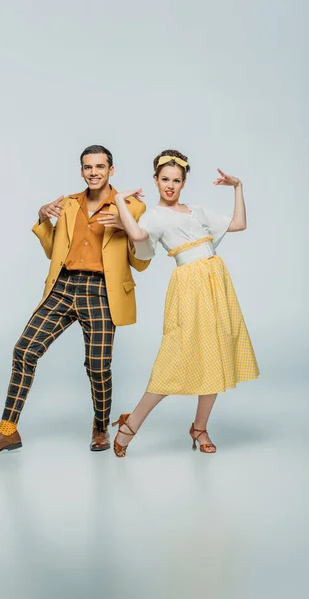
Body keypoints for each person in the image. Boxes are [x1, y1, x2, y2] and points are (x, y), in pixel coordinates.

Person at [0, 145, 150, 457]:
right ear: (81, 171)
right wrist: (43, 218)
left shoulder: (130, 206)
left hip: (101, 292)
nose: (94, 172)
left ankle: (99, 425)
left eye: (100, 166)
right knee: (24, 350)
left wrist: (127, 226)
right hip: (63, 286)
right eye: (88, 167)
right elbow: (56, 251)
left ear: (111, 170)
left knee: (97, 367)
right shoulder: (68, 204)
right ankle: (7, 431)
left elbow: (142, 261)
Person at [105, 149, 259, 456]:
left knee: (214, 353)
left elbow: (239, 224)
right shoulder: (154, 215)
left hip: (216, 281)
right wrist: (120, 202)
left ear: (184, 182)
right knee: (174, 357)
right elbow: (137, 235)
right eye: (164, 179)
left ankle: (199, 427)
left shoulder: (198, 211)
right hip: (189, 285)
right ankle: (130, 424)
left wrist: (238, 186)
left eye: (176, 180)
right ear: (156, 180)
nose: (170, 185)